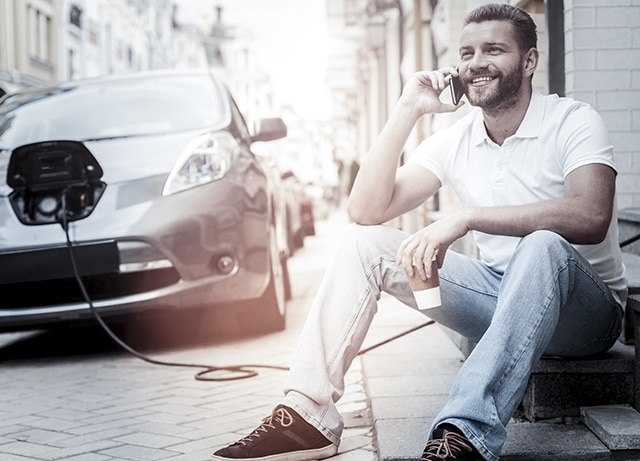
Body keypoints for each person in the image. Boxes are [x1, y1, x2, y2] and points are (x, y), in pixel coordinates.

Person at [213, 3, 627, 461]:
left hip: (587, 317)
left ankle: (465, 431)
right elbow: (366, 210)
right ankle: (308, 415)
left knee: (543, 245)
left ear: (529, 61)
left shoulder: (572, 120)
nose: (476, 63)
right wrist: (408, 110)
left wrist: (466, 218)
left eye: (493, 49)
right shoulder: (457, 137)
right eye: (466, 52)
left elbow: (591, 217)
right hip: (500, 297)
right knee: (361, 243)